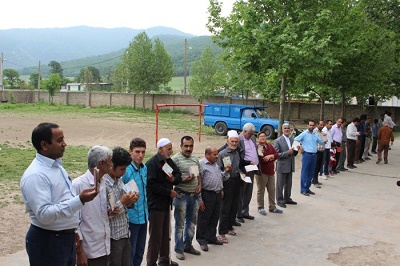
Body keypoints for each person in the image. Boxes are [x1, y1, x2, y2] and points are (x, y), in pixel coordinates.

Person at [20, 122, 98, 266]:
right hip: (48, 242)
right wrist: (79, 200)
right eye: (59, 140)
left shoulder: (56, 166)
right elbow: (44, 214)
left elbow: (63, 199)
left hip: (64, 239)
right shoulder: (36, 175)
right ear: (44, 145)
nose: (65, 144)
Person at [73, 146, 114, 266]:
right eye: (110, 161)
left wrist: (110, 212)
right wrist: (80, 252)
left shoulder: (103, 182)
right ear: (101, 163)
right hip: (89, 250)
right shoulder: (78, 185)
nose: (112, 164)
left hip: (104, 247)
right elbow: (74, 222)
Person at [146, 138, 182, 266]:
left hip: (166, 204)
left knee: (166, 233)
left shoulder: (169, 162)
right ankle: (151, 262)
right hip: (156, 205)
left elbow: (178, 175)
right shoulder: (152, 164)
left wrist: (173, 180)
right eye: (169, 148)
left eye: (171, 148)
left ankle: (164, 259)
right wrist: (169, 192)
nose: (171, 151)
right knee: (156, 236)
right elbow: (151, 185)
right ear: (160, 149)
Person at [105, 147, 139, 266]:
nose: (124, 172)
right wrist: (122, 202)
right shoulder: (103, 184)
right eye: (121, 169)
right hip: (113, 238)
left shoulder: (119, 180)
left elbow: (126, 206)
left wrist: (131, 200)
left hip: (125, 233)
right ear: (111, 165)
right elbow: (104, 214)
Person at [171, 136, 202, 260]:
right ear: (181, 146)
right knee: (180, 225)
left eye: (191, 146)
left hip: (194, 196)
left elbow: (199, 174)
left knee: (192, 223)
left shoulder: (195, 158)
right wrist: (184, 180)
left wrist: (199, 185)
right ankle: (179, 249)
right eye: (186, 146)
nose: (188, 148)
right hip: (181, 196)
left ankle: (188, 245)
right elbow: (171, 179)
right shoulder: (175, 160)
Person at [122, 138, 148, 266]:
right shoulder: (125, 171)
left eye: (143, 152)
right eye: (137, 152)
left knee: (140, 250)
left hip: (143, 216)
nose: (140, 155)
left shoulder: (144, 168)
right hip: (131, 218)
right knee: (130, 253)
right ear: (130, 152)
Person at [196, 146, 228, 252]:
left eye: (217, 154)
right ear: (207, 155)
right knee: (204, 218)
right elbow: (198, 183)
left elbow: (220, 177)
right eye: (214, 154)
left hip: (217, 194)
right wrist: (200, 199)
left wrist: (226, 172)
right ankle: (202, 240)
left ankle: (211, 237)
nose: (217, 156)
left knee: (215, 217)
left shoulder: (216, 164)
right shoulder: (201, 164)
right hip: (207, 194)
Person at [217, 130, 243, 244]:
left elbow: (237, 167)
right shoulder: (222, 154)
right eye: (232, 141)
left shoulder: (237, 153)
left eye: (236, 142)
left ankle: (228, 227)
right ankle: (221, 232)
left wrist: (242, 173)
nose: (234, 143)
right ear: (227, 141)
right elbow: (218, 171)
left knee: (234, 205)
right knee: (225, 208)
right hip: (226, 182)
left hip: (236, 180)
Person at [294, 120, 325, 196]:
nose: (311, 127)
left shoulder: (315, 134)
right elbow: (295, 139)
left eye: (312, 125)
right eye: (310, 125)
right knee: (305, 172)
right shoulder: (304, 134)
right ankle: (303, 189)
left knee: (311, 173)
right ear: (307, 126)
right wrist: (300, 147)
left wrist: (324, 137)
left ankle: (307, 188)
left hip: (314, 155)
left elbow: (321, 142)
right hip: (307, 154)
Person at [255, 131, 281, 215]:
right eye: (261, 136)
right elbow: (262, 160)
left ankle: (272, 207)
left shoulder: (269, 145)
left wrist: (271, 156)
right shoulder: (258, 147)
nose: (263, 137)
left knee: (272, 190)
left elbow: (277, 154)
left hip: (271, 172)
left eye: (264, 136)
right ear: (258, 138)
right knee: (261, 190)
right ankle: (260, 207)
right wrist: (271, 157)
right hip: (262, 172)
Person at [236, 123, 258, 222]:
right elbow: (239, 157)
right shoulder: (239, 140)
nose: (251, 136)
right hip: (244, 169)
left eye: (252, 134)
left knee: (248, 192)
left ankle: (245, 212)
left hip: (252, 169)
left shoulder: (252, 138)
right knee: (241, 192)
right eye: (249, 134)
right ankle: (238, 214)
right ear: (244, 131)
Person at [273, 123, 298, 208]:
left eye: (288, 128)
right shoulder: (277, 141)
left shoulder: (292, 140)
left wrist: (296, 150)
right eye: (285, 128)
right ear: (282, 129)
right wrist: (287, 153)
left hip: (290, 165)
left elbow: (293, 153)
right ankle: (279, 200)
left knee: (289, 184)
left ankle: (287, 198)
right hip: (282, 165)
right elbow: (276, 155)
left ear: (290, 129)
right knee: (280, 184)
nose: (287, 130)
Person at [312, 120, 326, 188]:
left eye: (323, 125)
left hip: (321, 151)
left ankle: (315, 179)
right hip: (316, 151)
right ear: (317, 124)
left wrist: (325, 138)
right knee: (316, 166)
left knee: (319, 166)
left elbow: (324, 141)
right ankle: (314, 181)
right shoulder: (314, 132)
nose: (322, 126)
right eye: (321, 125)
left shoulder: (322, 132)